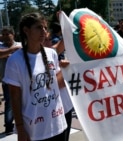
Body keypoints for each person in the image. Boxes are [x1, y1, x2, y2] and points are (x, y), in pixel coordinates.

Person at [3, 12, 68, 141]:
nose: (44, 31)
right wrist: (20, 129)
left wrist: (69, 70)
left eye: (45, 27)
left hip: (58, 124)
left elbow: (57, 84)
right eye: (39, 27)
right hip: (34, 130)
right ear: (26, 30)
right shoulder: (15, 60)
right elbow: (15, 98)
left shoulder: (52, 54)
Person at [0, 26, 22, 135]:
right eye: (3, 34)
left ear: (13, 34)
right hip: (7, 81)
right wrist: (13, 50)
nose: (4, 36)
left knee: (24, 102)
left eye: (7, 33)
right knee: (9, 104)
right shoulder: (1, 46)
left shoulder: (20, 45)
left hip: (22, 80)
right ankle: (8, 126)